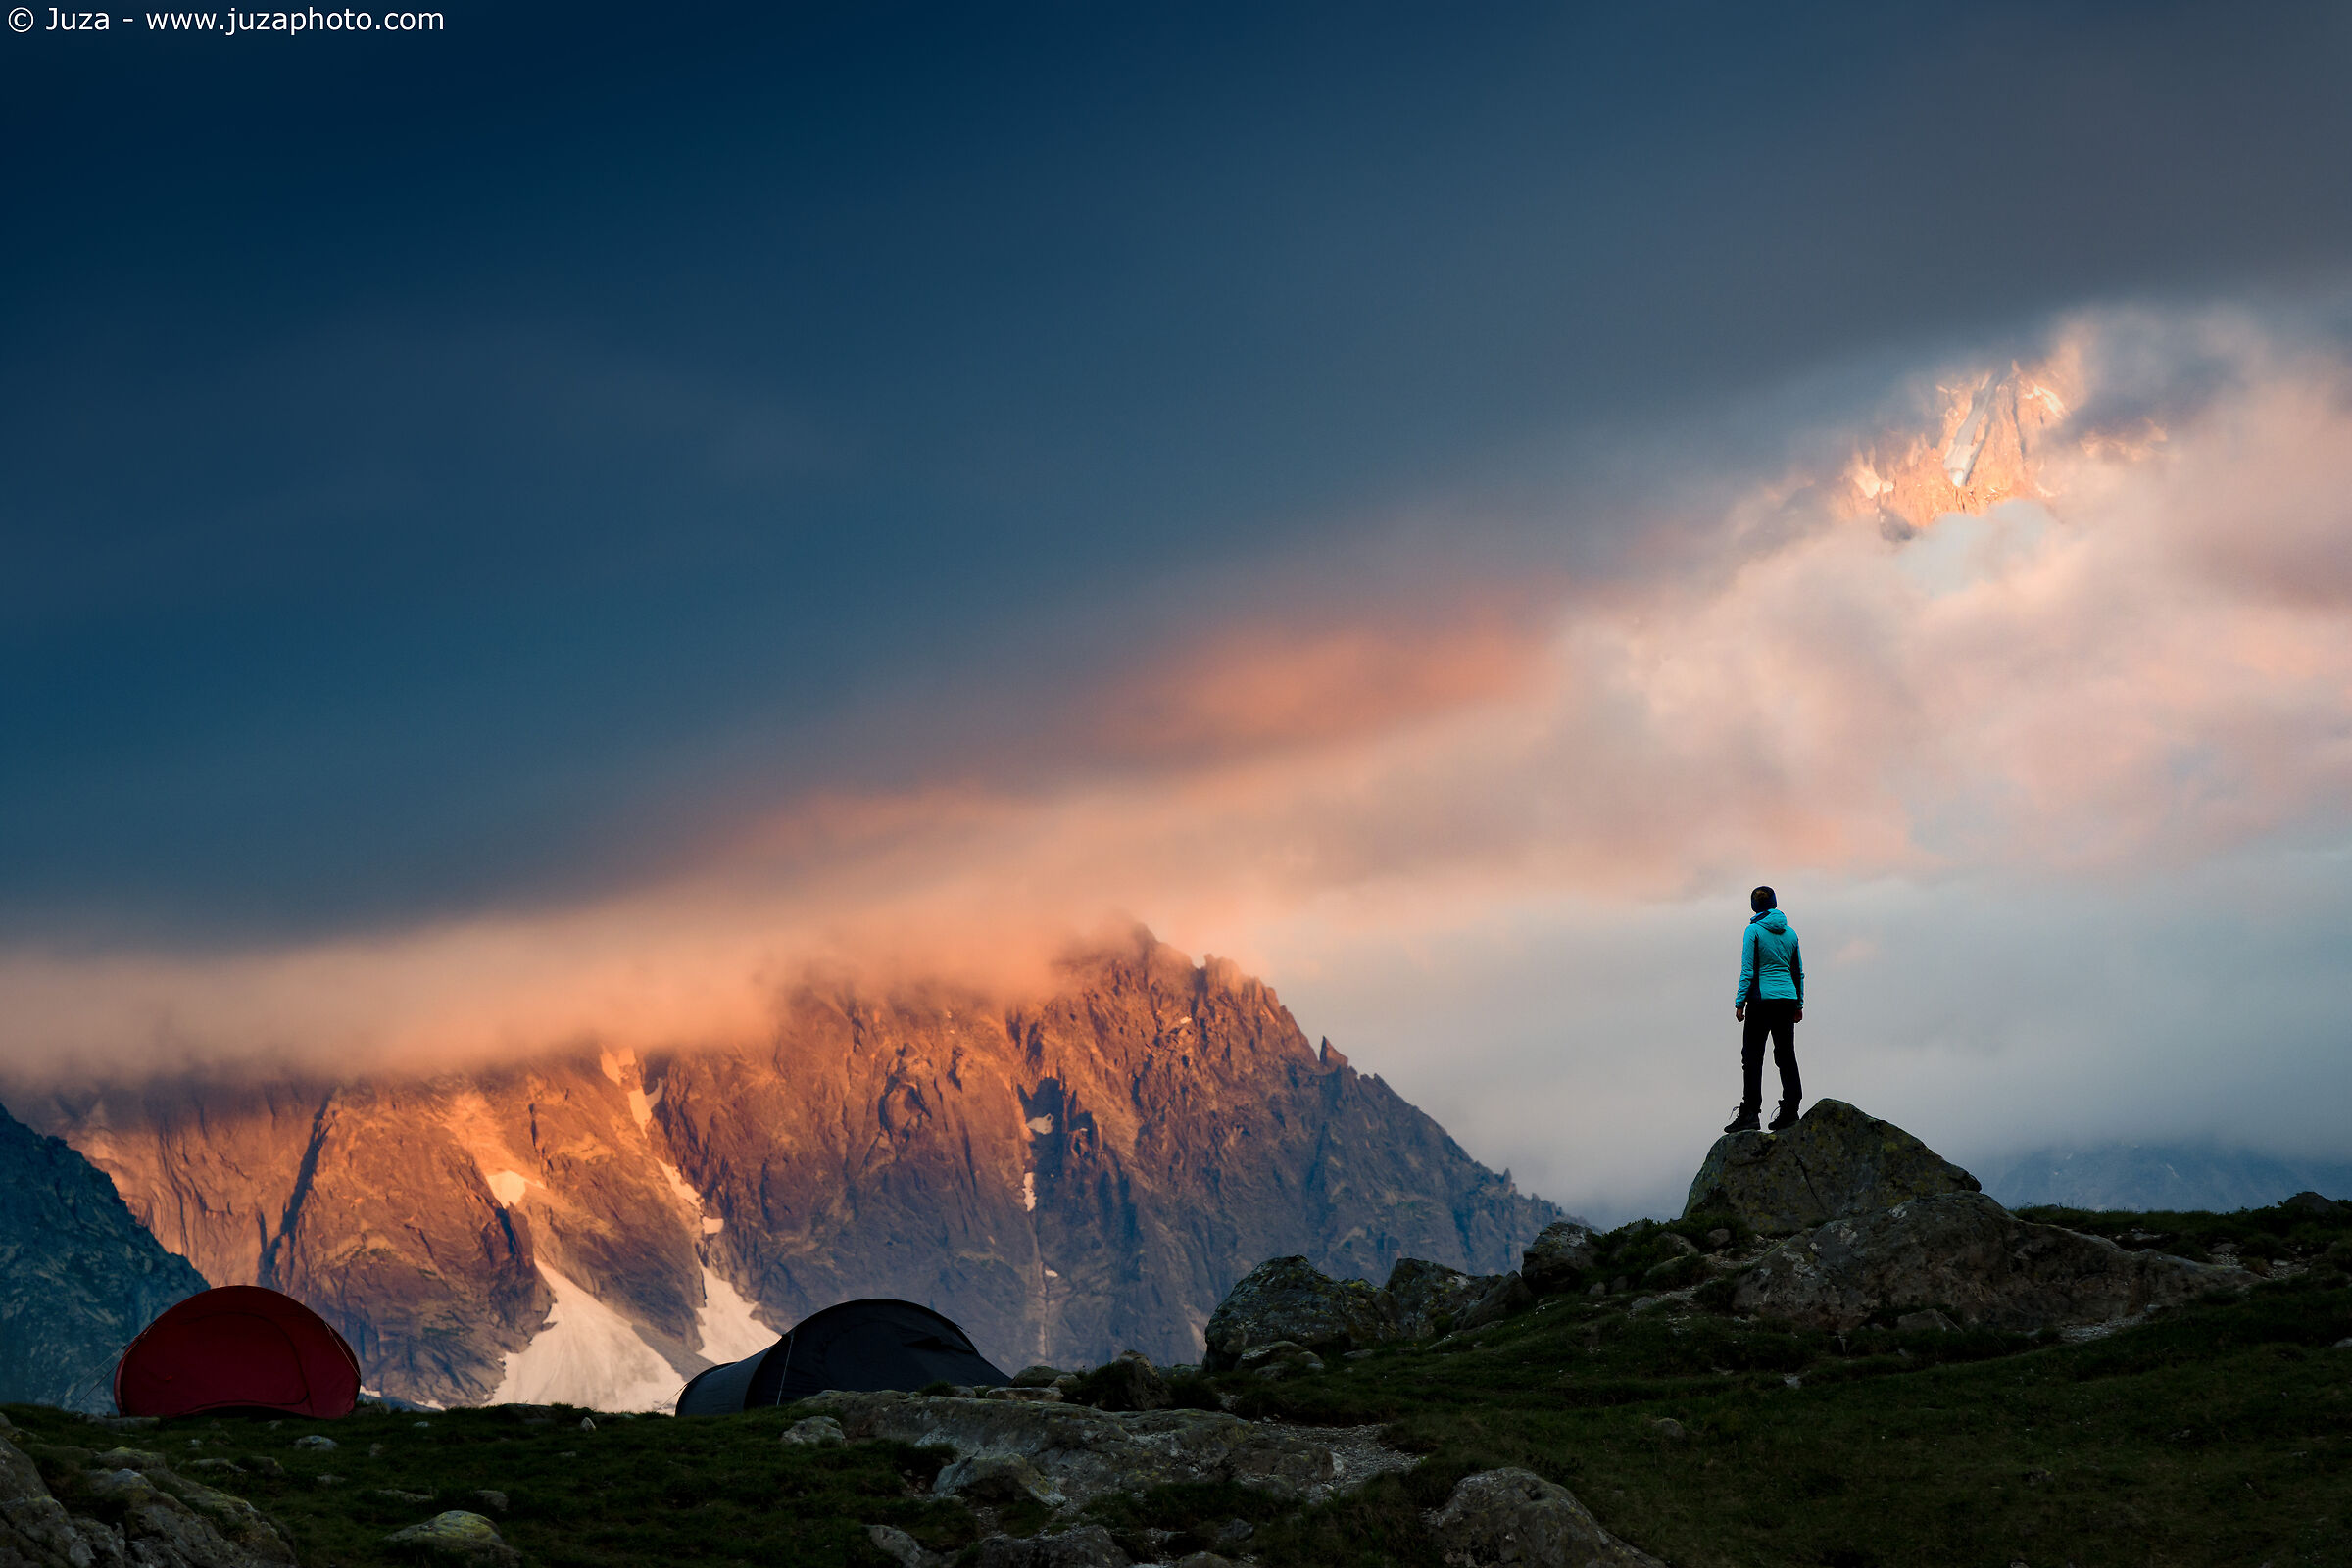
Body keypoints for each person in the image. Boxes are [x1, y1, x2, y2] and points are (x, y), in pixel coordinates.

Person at [1725, 885, 1804, 1134]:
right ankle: (1791, 1110)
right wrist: (1799, 1003)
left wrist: (1740, 1003)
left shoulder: (1753, 932)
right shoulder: (1791, 933)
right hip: (1787, 999)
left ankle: (1750, 1113)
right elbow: (1797, 972)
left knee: (1752, 1056)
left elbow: (1748, 970)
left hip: (1761, 1001)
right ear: (1775, 903)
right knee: (1785, 1055)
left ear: (1753, 907)